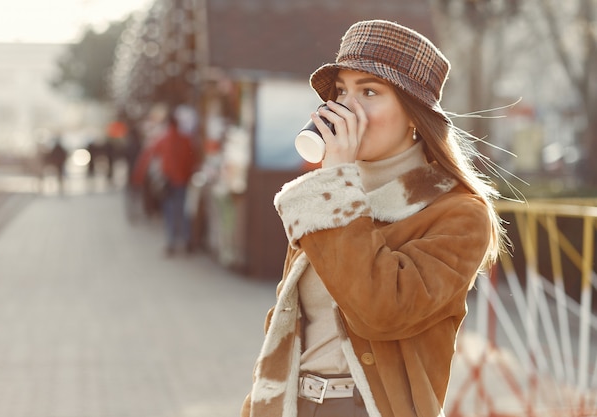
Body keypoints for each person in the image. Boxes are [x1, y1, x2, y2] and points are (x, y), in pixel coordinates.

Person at [241, 20, 507, 417]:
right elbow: (287, 323)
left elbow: (381, 311)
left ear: (414, 115)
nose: (349, 107)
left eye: (369, 91)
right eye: (343, 91)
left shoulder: (458, 213)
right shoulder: (333, 193)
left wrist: (336, 184)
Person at [150, 114, 196, 256]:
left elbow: (154, 155)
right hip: (182, 180)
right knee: (183, 211)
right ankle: (186, 240)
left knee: (170, 213)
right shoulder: (185, 139)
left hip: (168, 182)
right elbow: (192, 159)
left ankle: (171, 242)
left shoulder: (162, 139)